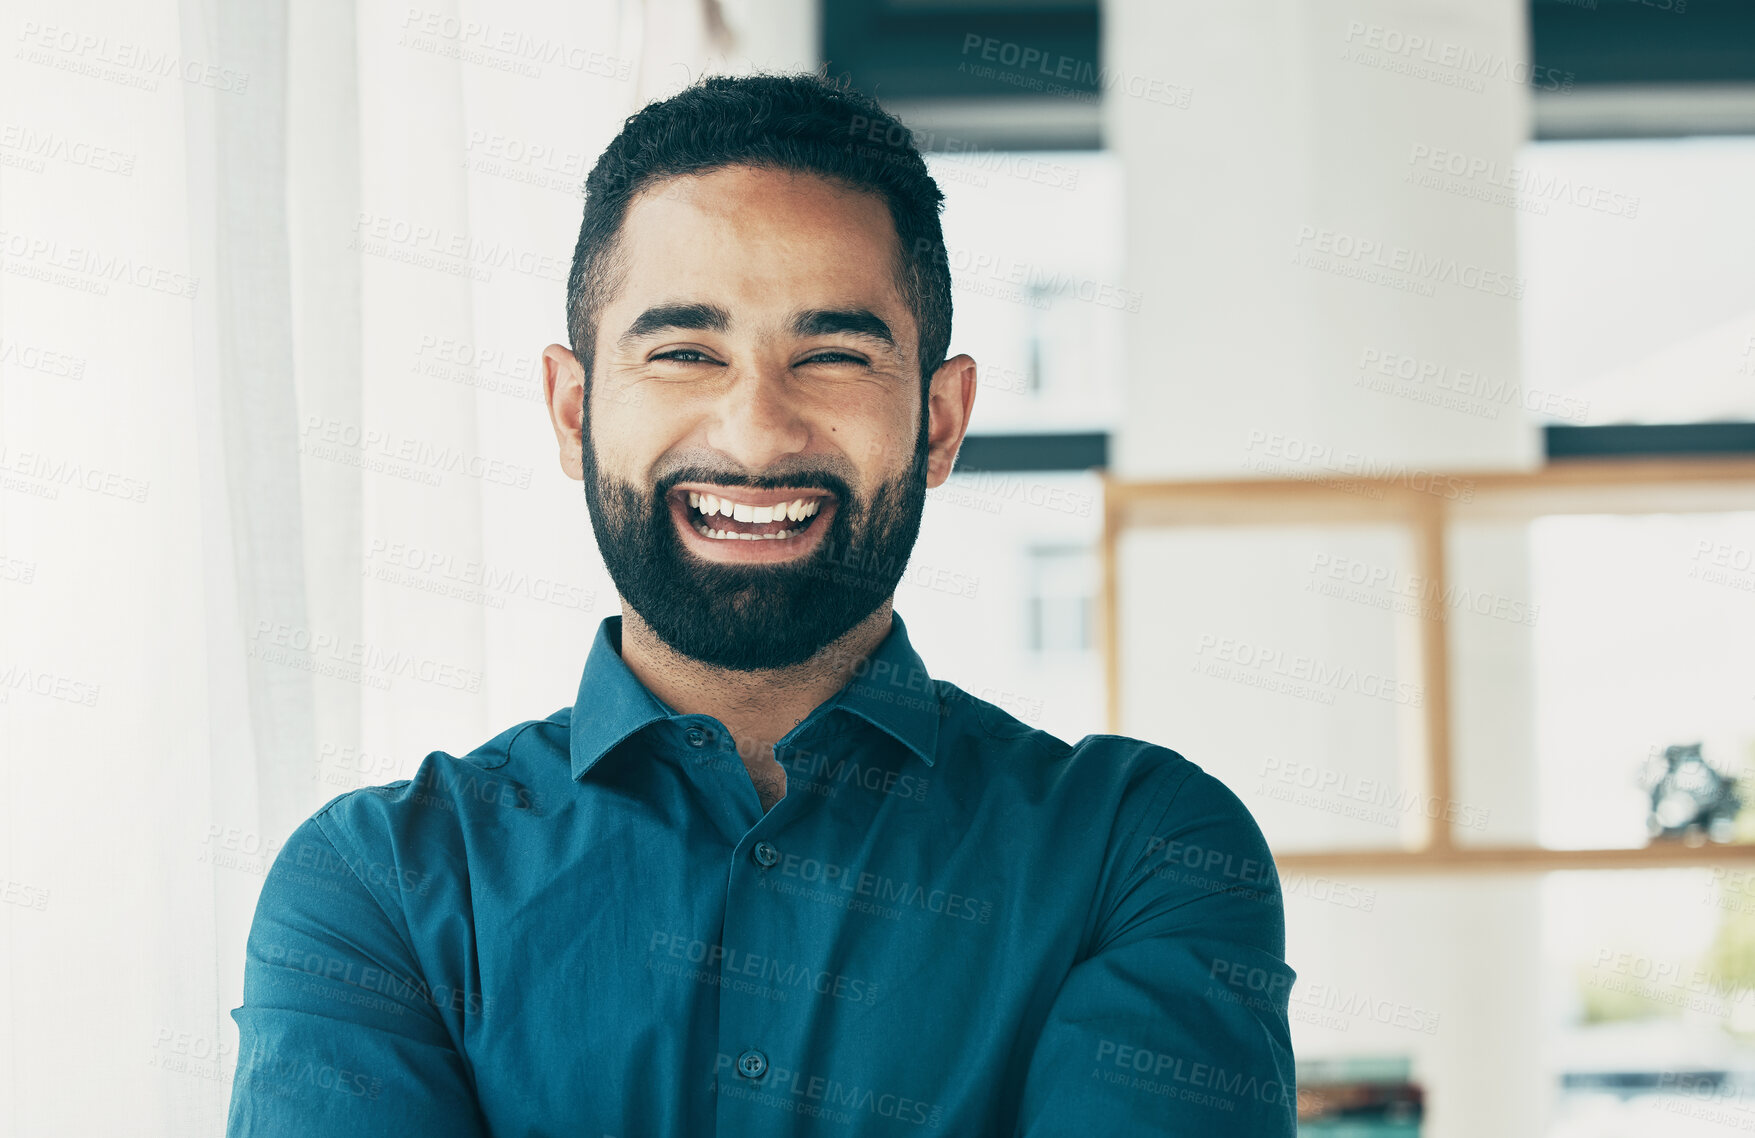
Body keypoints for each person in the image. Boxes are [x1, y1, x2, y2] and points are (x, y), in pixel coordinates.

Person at [226, 70, 1297, 1136]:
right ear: (572, 407)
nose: (755, 433)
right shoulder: (381, 890)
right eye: (685, 352)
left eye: (832, 355)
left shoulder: (1139, 855)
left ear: (938, 419)